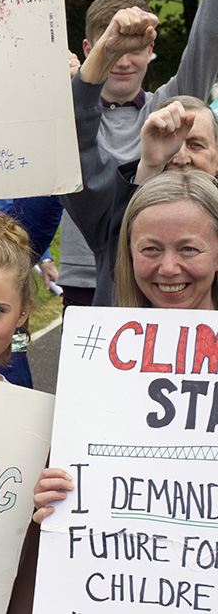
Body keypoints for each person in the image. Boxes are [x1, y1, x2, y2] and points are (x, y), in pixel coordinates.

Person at [33, 168, 218, 519]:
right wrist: (52, 499)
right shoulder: (97, 360)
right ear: (129, 254)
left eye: (188, 249)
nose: (168, 267)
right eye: (150, 249)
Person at [60, 0, 218, 307]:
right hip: (96, 274)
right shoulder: (114, 225)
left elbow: (206, 47)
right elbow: (73, 144)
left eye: (194, 144)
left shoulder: (170, 103)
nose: (177, 155)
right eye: (168, 138)